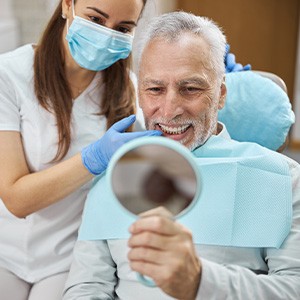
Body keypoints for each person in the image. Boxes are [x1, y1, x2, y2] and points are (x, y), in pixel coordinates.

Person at [63, 11, 300, 300]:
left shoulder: (282, 179)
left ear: (221, 93)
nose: (170, 109)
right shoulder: (111, 178)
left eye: (190, 89)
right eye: (155, 89)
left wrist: (200, 282)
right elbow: (86, 287)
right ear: (140, 94)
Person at [0, 0, 166, 299]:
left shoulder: (128, 93)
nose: (107, 34)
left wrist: (216, 85)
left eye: (123, 28)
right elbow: (16, 199)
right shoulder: (9, 75)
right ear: (67, 5)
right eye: (95, 19)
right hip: (4, 250)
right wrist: (93, 159)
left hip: (68, 256)